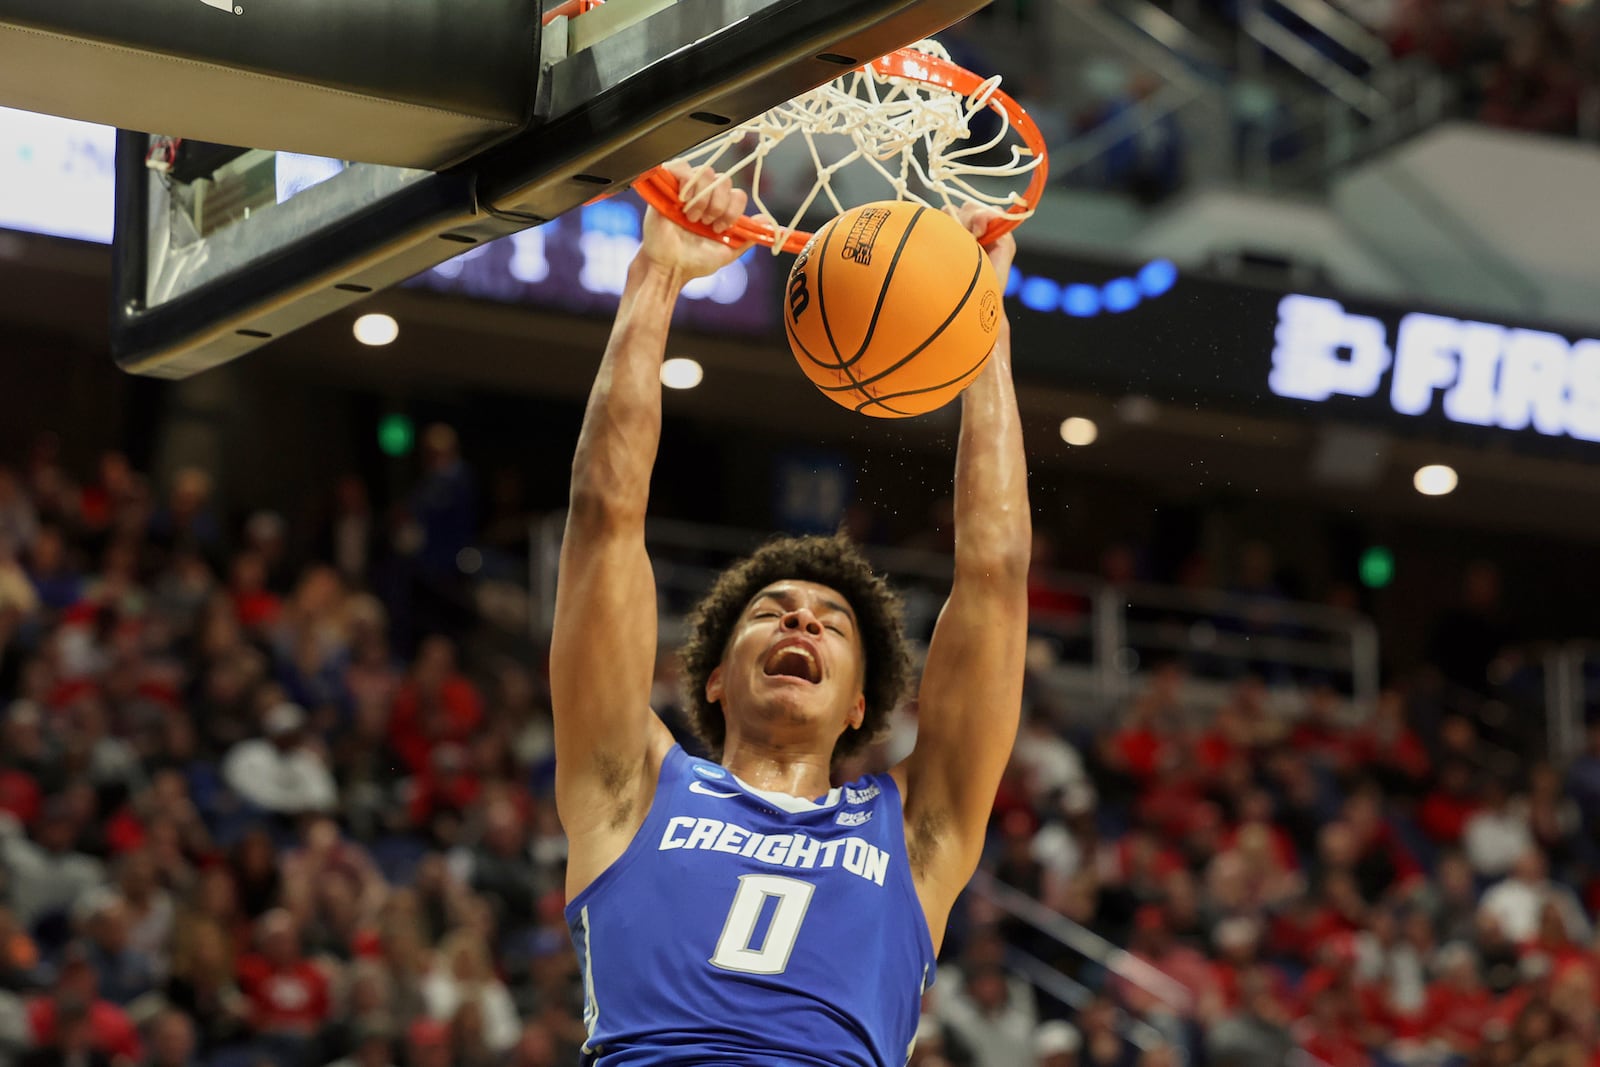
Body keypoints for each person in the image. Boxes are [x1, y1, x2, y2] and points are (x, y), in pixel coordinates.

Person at [550, 162, 1030, 1065]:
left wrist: (981, 328)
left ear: (861, 704)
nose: (801, 623)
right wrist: (656, 276)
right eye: (773, 612)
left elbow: (996, 575)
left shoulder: (917, 829)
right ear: (717, 678)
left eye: (830, 624)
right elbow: (605, 520)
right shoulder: (634, 788)